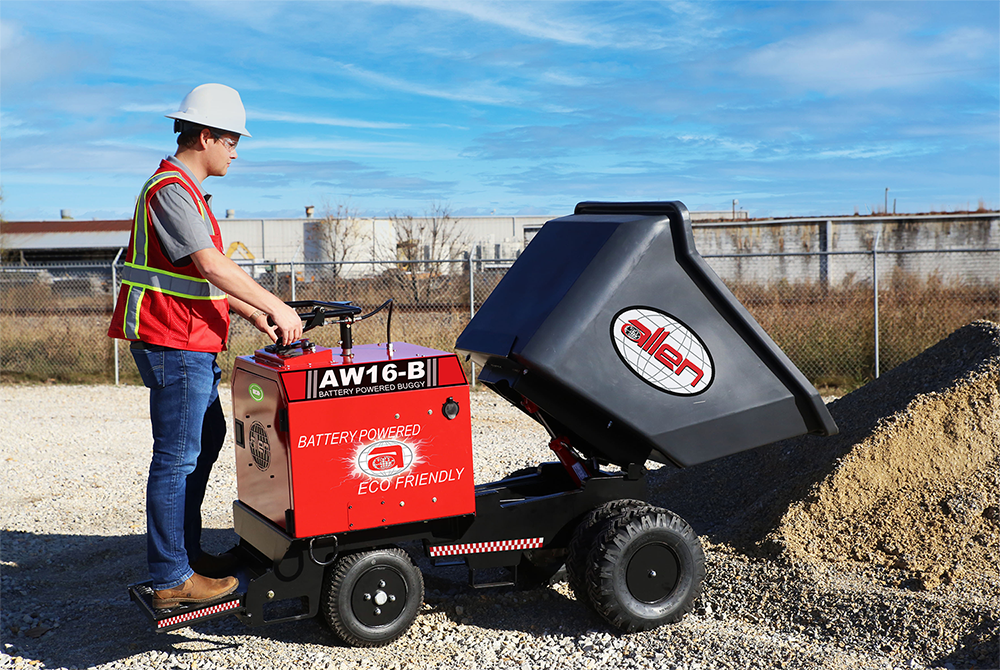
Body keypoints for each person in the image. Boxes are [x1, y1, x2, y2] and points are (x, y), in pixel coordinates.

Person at [108, 83, 303, 609]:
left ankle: (185, 554)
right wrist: (279, 306)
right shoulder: (170, 189)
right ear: (207, 135)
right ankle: (172, 575)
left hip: (187, 341)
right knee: (176, 457)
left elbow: (204, 282)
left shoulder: (188, 193)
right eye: (232, 139)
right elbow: (213, 266)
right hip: (173, 343)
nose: (237, 150)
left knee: (208, 437)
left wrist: (257, 314)